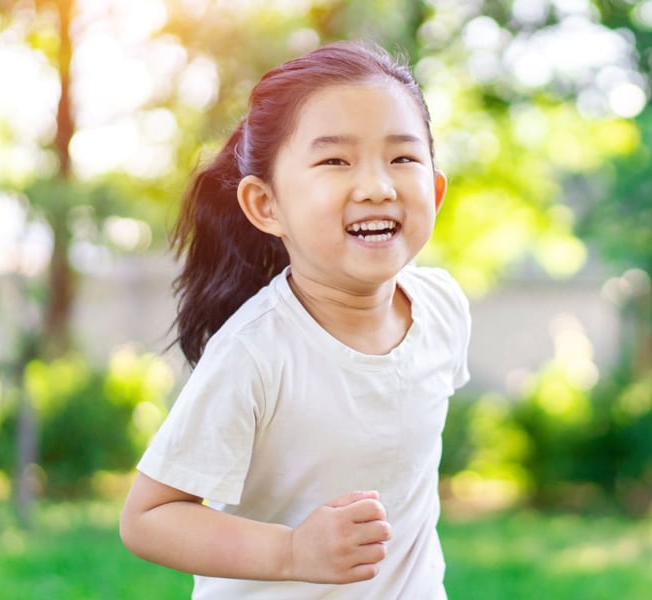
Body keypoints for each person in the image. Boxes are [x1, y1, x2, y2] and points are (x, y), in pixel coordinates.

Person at [119, 41, 471, 599]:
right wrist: (291, 552)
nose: (378, 185)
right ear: (266, 205)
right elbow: (149, 517)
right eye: (335, 160)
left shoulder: (444, 308)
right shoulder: (255, 352)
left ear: (435, 187)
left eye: (403, 158)